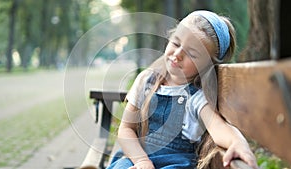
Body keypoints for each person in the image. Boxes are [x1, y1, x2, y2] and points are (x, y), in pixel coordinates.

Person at [107, 10, 258, 169]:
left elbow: (218, 126)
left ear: (207, 66)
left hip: (176, 164)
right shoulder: (147, 81)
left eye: (192, 54)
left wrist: (238, 142)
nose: (178, 54)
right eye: (176, 43)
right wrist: (142, 162)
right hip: (138, 157)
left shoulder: (196, 97)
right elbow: (126, 129)